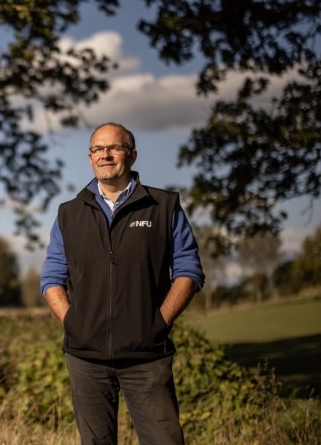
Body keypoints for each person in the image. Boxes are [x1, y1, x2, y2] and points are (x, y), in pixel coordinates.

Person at [40, 122, 205, 444]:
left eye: (113, 148)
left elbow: (188, 270)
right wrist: (73, 322)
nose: (105, 155)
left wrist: (158, 323)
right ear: (89, 158)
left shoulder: (163, 206)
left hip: (147, 356)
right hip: (85, 358)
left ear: (131, 155)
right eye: (97, 149)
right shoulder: (68, 213)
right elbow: (52, 277)